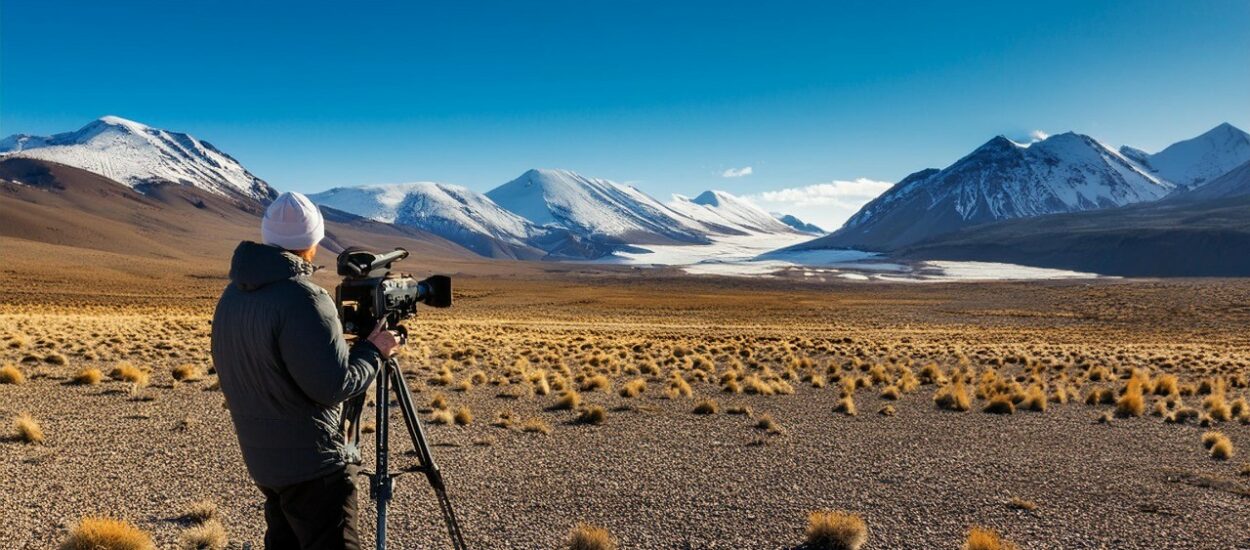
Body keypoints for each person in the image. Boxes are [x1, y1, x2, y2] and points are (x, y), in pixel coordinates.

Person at [211, 191, 402, 550]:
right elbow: (334, 385)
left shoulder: (233, 295)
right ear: (313, 241)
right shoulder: (305, 298)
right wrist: (374, 351)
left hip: (266, 462)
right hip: (314, 467)